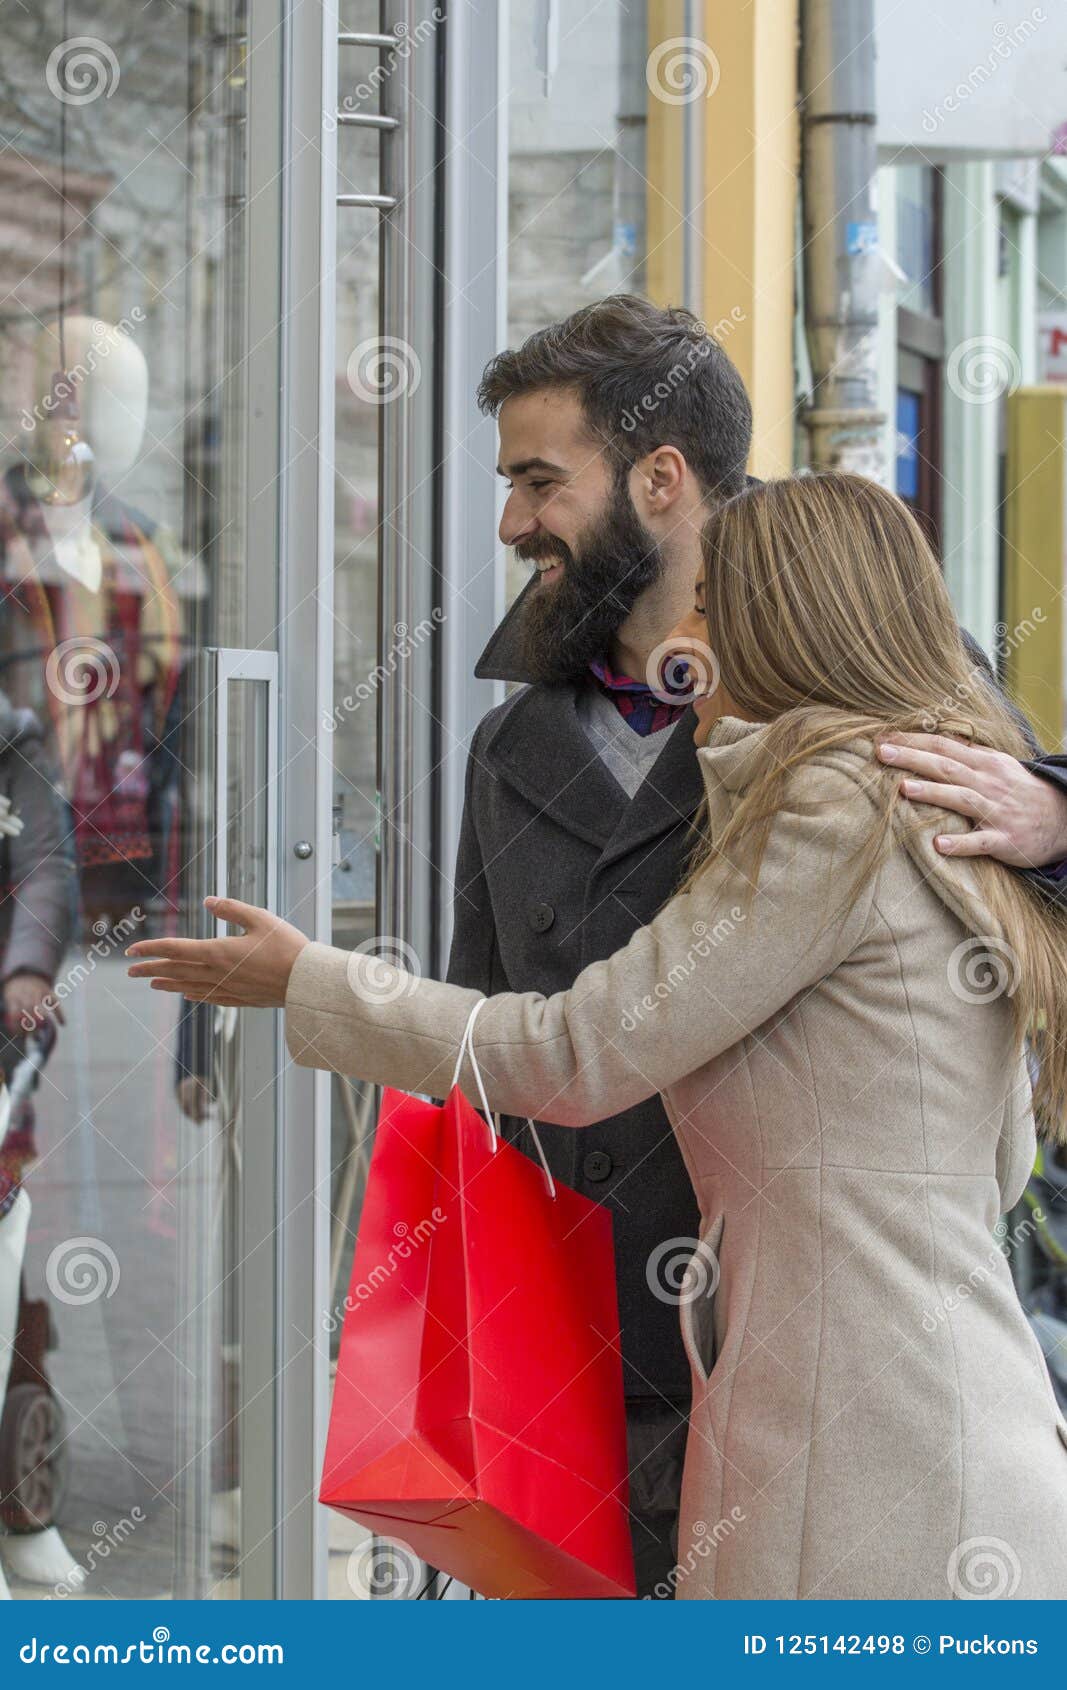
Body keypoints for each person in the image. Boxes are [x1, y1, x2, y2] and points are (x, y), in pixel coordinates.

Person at [128, 471, 1067, 1600]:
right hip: (947, 1441)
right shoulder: (939, 808)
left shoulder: (833, 809)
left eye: (715, 604)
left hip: (855, 1470)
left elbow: (573, 1056)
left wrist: (308, 980)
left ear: (792, 619)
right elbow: (998, 1158)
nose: (685, 633)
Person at [450, 296, 1067, 1594]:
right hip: (575, 1380)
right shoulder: (510, 745)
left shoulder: (875, 686)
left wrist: (1059, 813)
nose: (511, 523)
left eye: (537, 480)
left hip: (831, 1377)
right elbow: (476, 1049)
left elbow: (1008, 928)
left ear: (659, 479)